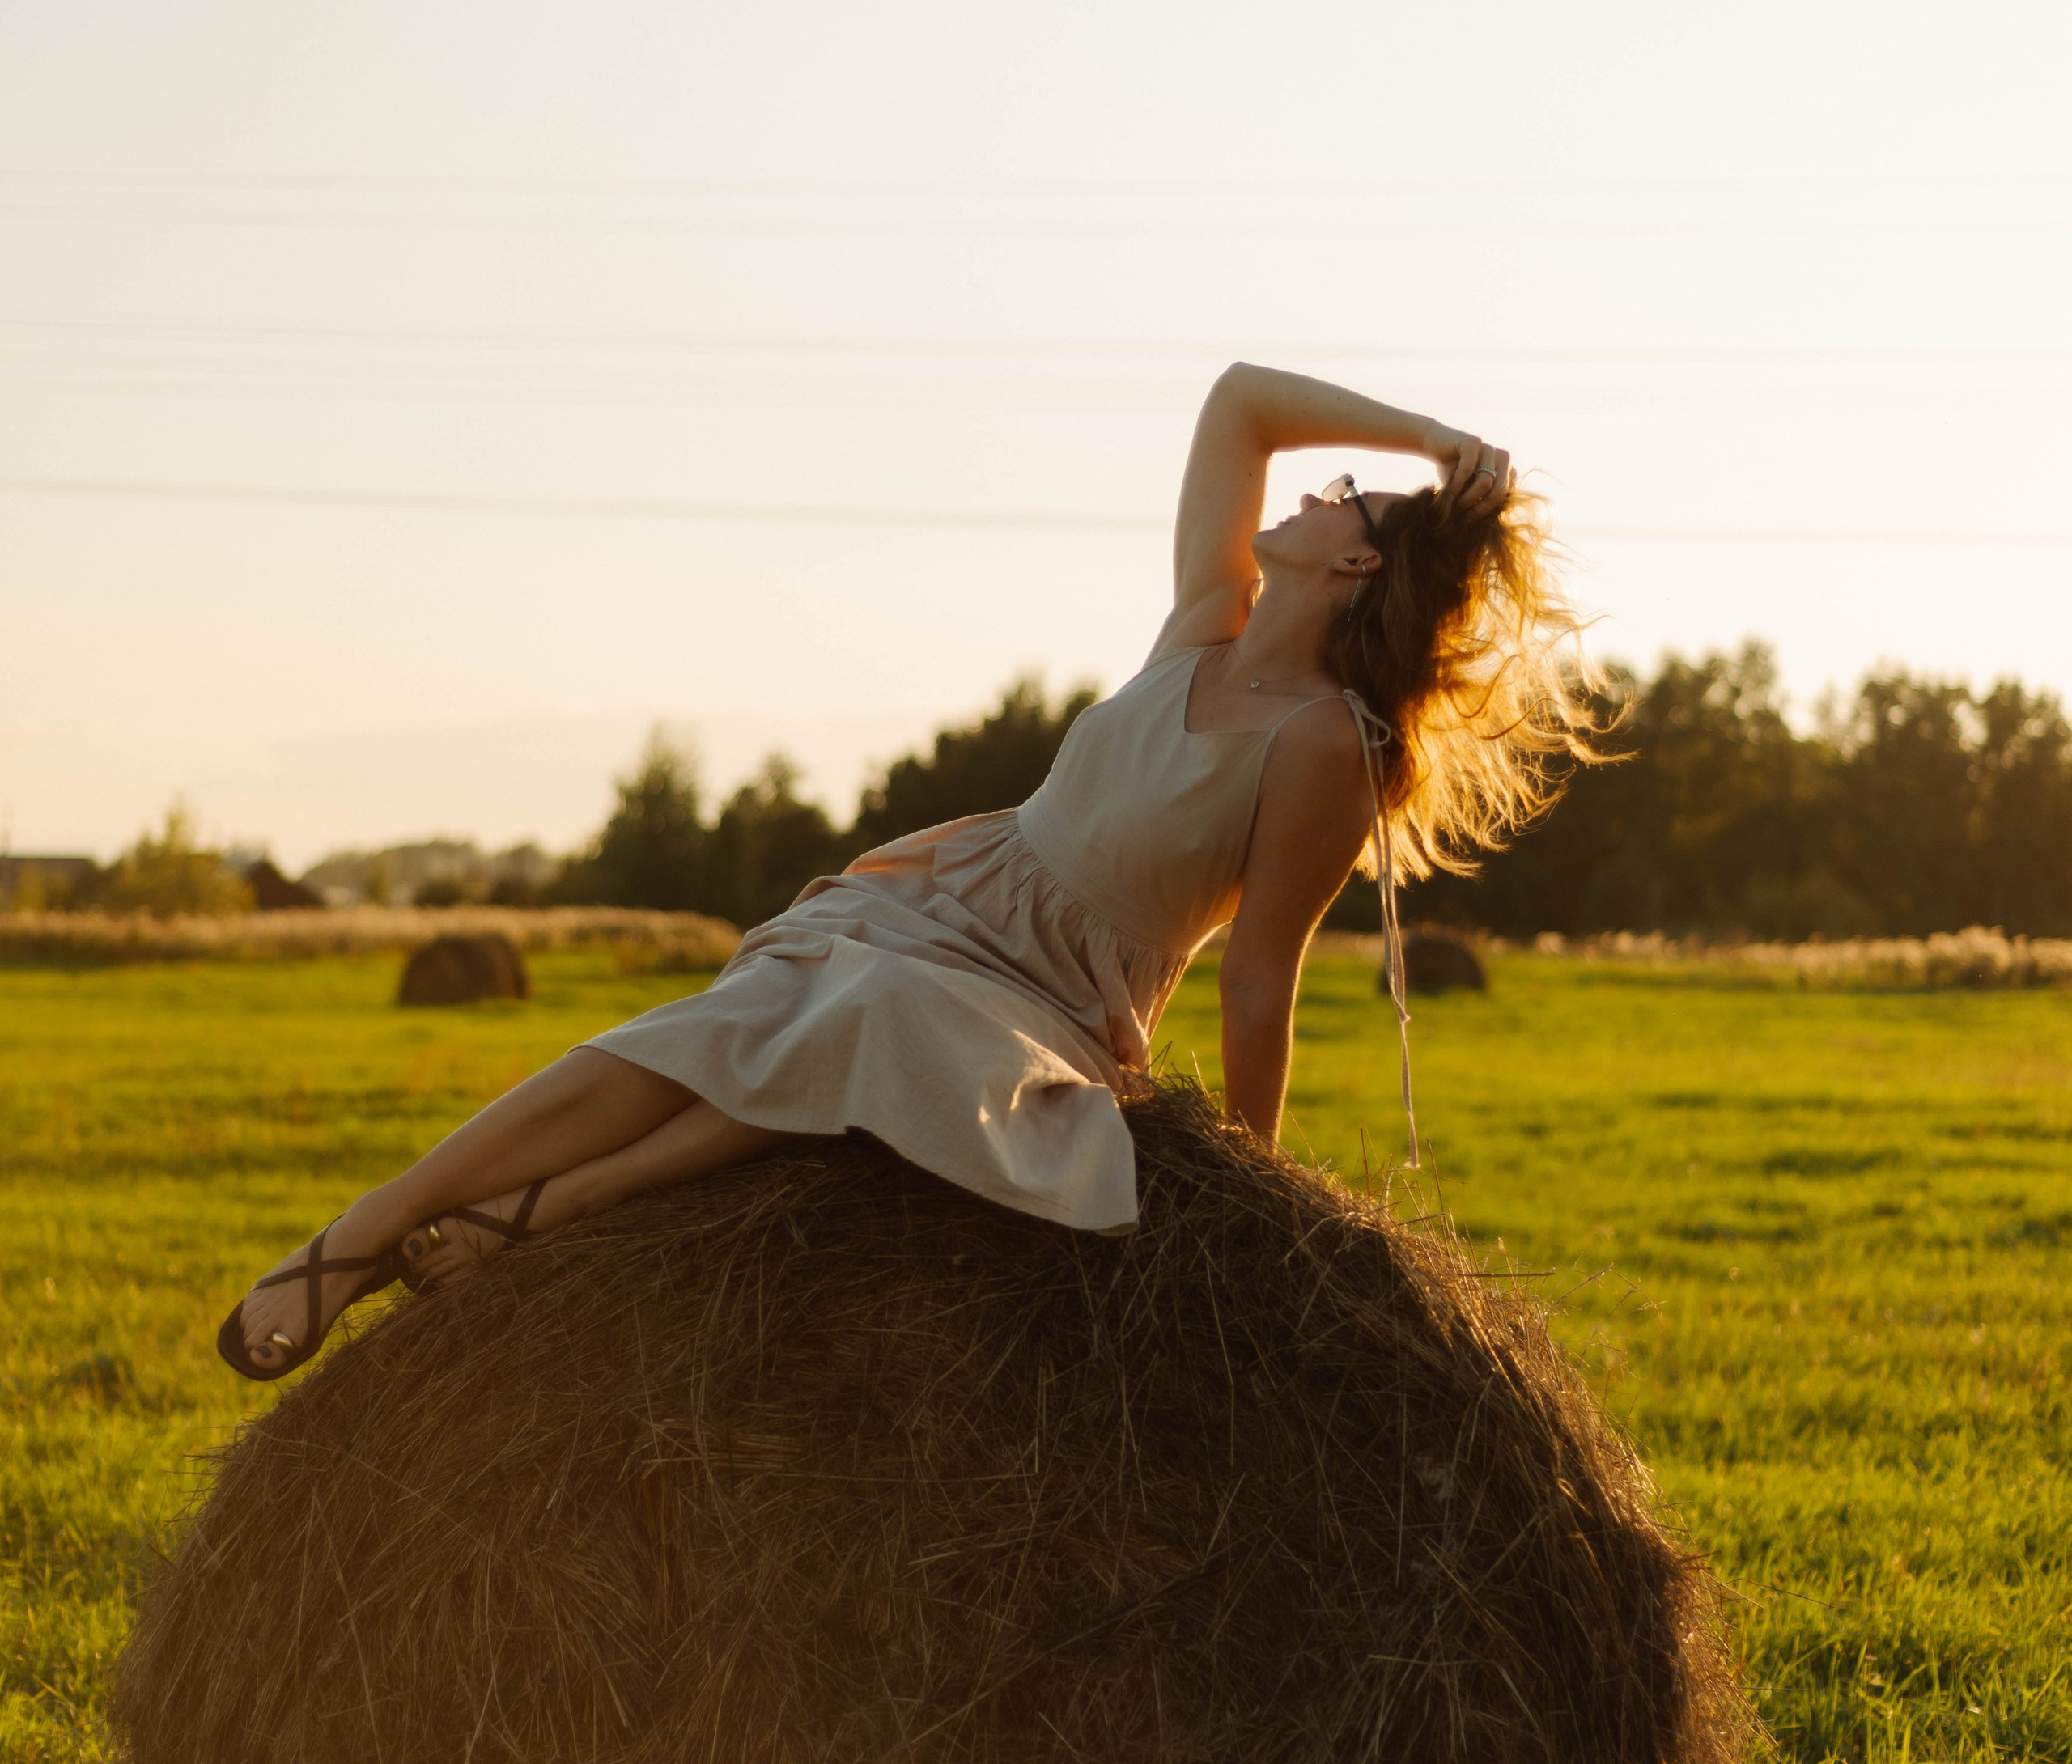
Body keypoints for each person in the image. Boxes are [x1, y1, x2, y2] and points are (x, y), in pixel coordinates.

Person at [219, 363, 1590, 1379]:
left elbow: (1262, 971)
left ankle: (551, 1214)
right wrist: (1427, 438)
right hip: (953, 891)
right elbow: (1237, 400)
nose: (1309, 488)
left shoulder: (1326, 748)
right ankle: (357, 1237)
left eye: (1344, 496)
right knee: (724, 1022)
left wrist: (1252, 1205)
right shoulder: (1202, 629)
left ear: (1356, 560)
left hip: (1058, 1002)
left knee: (866, 1012)